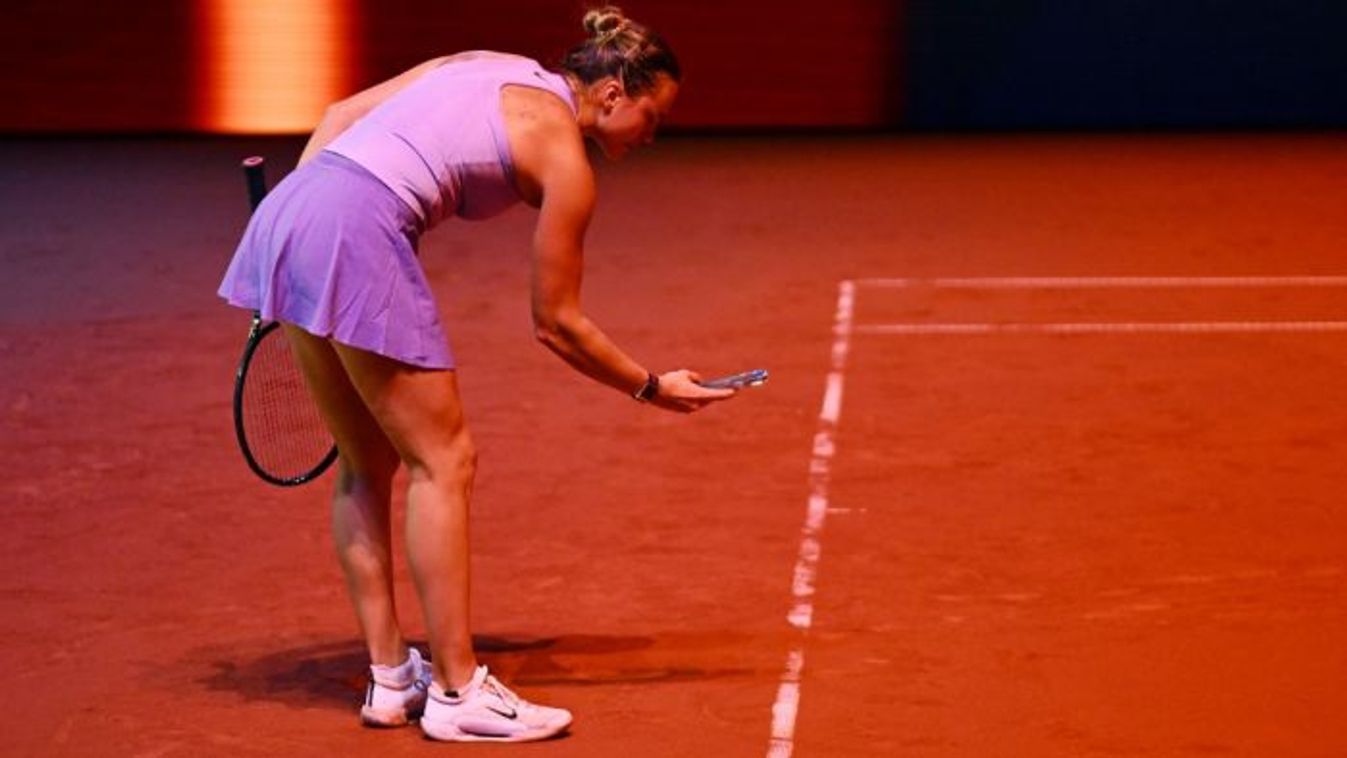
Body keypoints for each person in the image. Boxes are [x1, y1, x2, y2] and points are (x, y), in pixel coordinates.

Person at [217, 5, 735, 744]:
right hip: (351, 227)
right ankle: (459, 691)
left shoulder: (480, 61)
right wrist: (649, 385)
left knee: (366, 463)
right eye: (654, 117)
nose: (653, 136)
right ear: (613, 93)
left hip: (291, 209)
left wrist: (304, 235)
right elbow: (556, 323)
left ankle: (391, 677)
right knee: (446, 459)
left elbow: (337, 117)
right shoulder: (566, 160)